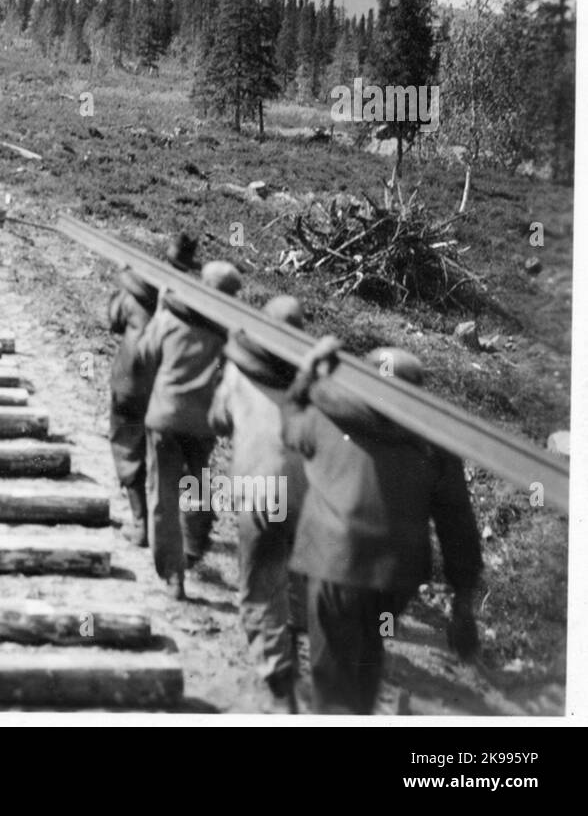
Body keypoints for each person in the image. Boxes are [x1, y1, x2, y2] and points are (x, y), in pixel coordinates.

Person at [281, 338, 483, 715]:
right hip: (395, 580)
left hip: (333, 566)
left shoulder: (325, 417)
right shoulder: (436, 445)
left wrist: (306, 372)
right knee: (370, 645)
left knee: (332, 672)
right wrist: (463, 601)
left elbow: (289, 425)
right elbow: (458, 527)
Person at [209, 294, 309, 713]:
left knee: (257, 588)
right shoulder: (313, 385)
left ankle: (280, 677)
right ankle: (297, 634)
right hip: (305, 494)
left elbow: (217, 420)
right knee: (296, 572)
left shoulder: (238, 372)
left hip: (259, 493)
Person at [137, 258, 242, 599]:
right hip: (201, 424)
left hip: (165, 418)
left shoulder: (170, 317)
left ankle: (173, 575)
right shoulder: (229, 330)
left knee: (163, 494)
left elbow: (144, 356)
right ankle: (192, 549)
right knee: (195, 487)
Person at [108, 234, 198, 546]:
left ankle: (140, 523)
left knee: (126, 446)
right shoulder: (188, 303)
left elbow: (113, 320)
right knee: (166, 458)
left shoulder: (136, 291)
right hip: (166, 389)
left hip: (131, 381)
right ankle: (180, 532)